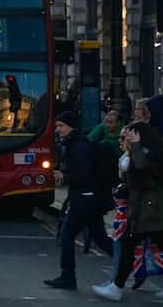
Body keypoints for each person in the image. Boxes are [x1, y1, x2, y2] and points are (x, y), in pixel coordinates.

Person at [91, 121, 163, 303]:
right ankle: (118, 287)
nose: (125, 140)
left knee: (162, 247)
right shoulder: (141, 151)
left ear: (139, 136)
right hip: (145, 209)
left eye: (129, 136)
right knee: (158, 247)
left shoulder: (152, 152)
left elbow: (142, 167)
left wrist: (134, 146)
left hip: (152, 209)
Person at [44, 111, 113, 290]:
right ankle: (129, 262)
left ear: (71, 126)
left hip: (85, 200)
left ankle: (68, 277)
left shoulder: (80, 146)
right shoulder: (75, 143)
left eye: (61, 126)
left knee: (67, 237)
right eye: (57, 126)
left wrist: (64, 176)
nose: (58, 130)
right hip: (87, 199)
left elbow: (84, 175)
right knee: (100, 239)